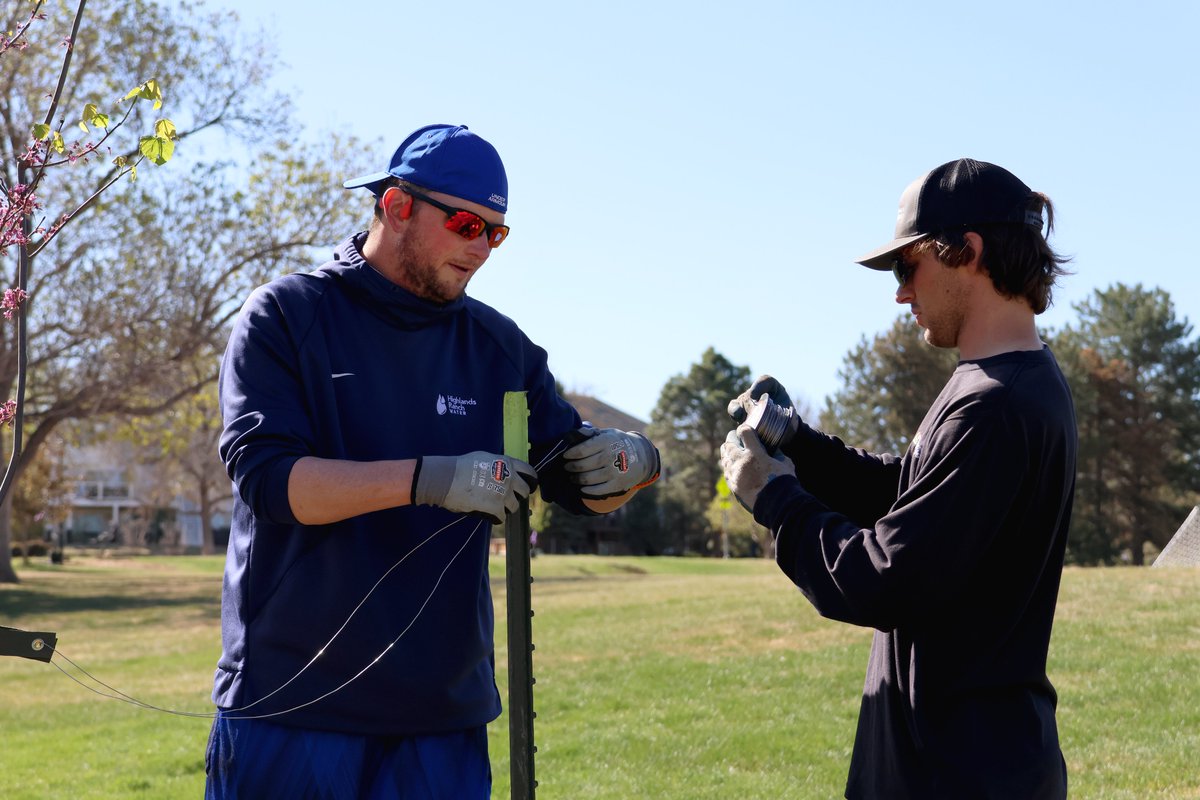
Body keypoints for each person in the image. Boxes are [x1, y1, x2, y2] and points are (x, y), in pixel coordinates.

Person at [206, 124, 660, 799]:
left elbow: (575, 475)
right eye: (464, 224)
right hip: (294, 703)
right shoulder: (287, 316)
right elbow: (272, 483)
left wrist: (634, 463)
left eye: (495, 234)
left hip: (440, 719)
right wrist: (429, 479)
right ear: (396, 206)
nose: (480, 248)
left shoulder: (500, 350)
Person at [720, 158, 1077, 799]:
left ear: (968, 251)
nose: (900, 293)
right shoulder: (1003, 380)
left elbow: (883, 579)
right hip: (961, 761)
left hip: (961, 774)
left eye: (907, 267)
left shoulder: (996, 404)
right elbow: (908, 491)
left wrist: (771, 495)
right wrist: (795, 443)